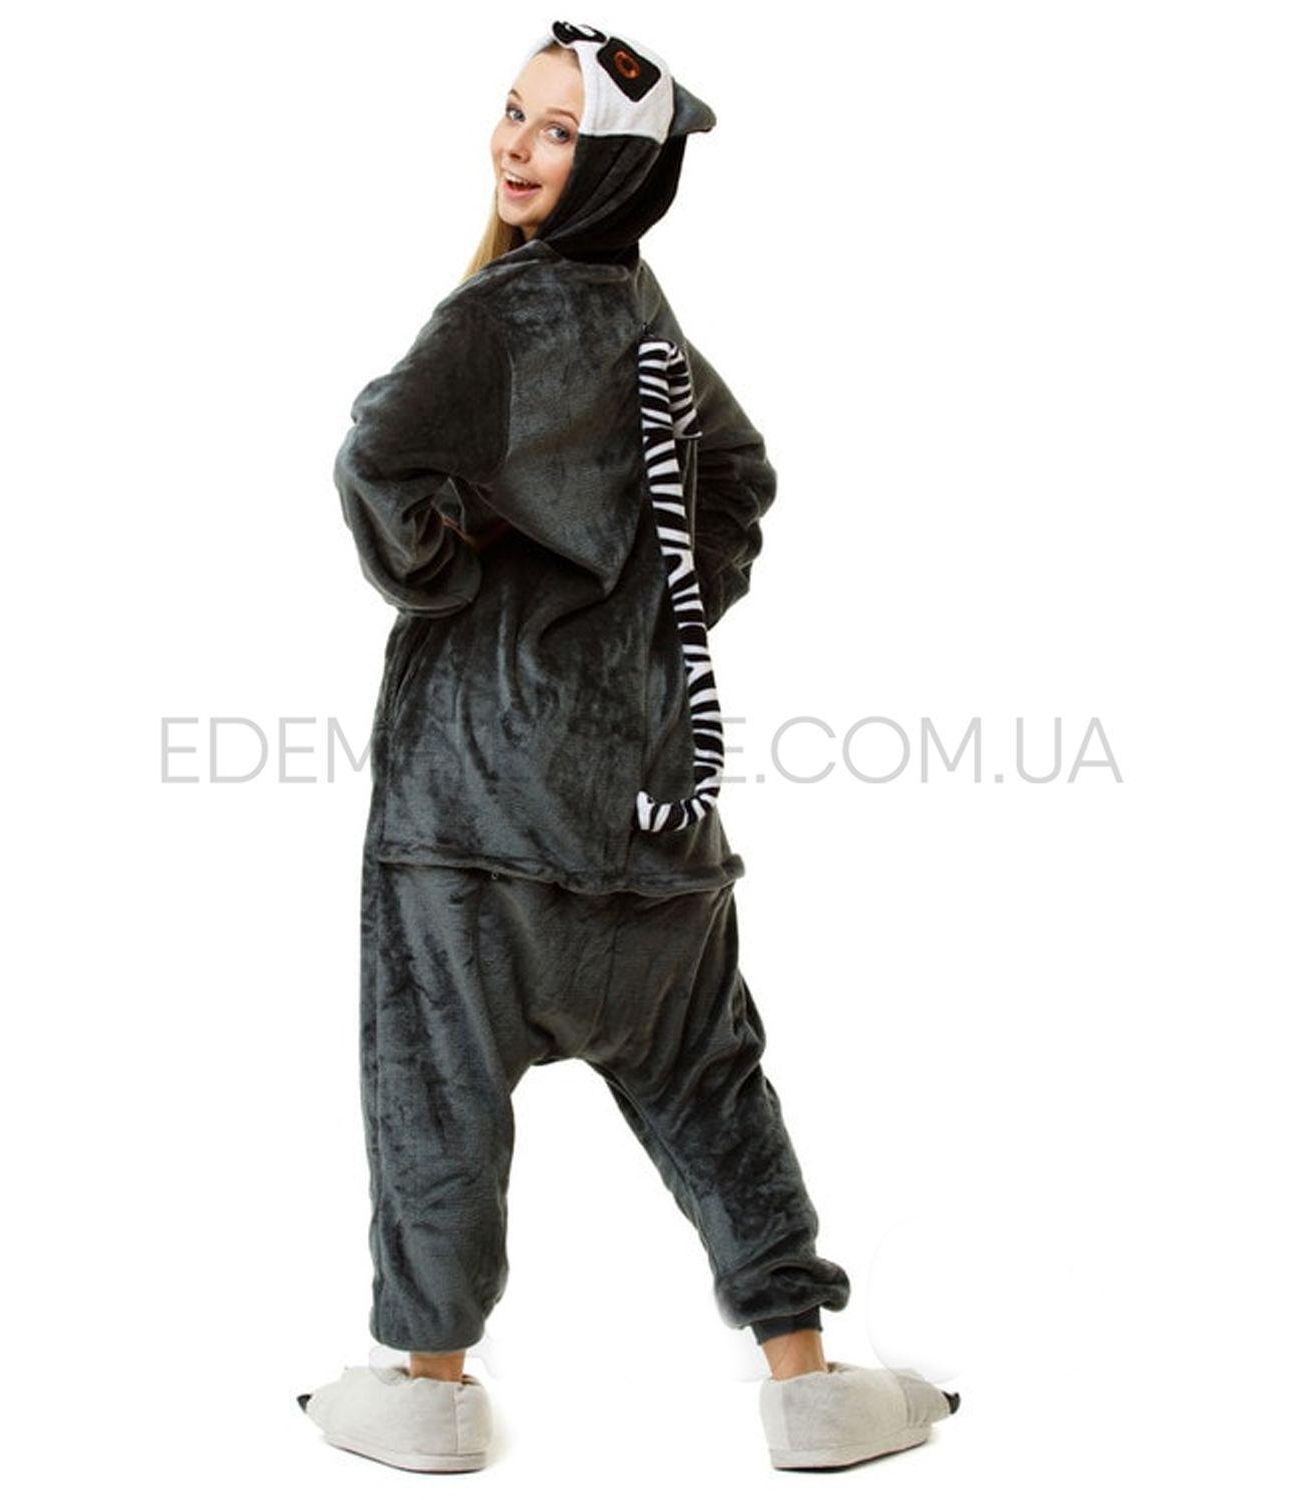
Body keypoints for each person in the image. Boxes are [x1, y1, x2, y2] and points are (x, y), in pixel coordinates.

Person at [298, 20, 958, 1472]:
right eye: (513, 113)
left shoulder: (500, 315)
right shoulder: (637, 313)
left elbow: (377, 454)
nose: (516, 146)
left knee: (436, 1089)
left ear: (612, 169)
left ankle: (428, 1387)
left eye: (557, 131)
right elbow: (738, 476)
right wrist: (659, 602)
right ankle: (808, 1380)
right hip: (647, 801)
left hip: (475, 811)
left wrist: (448, 572)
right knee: (711, 1083)